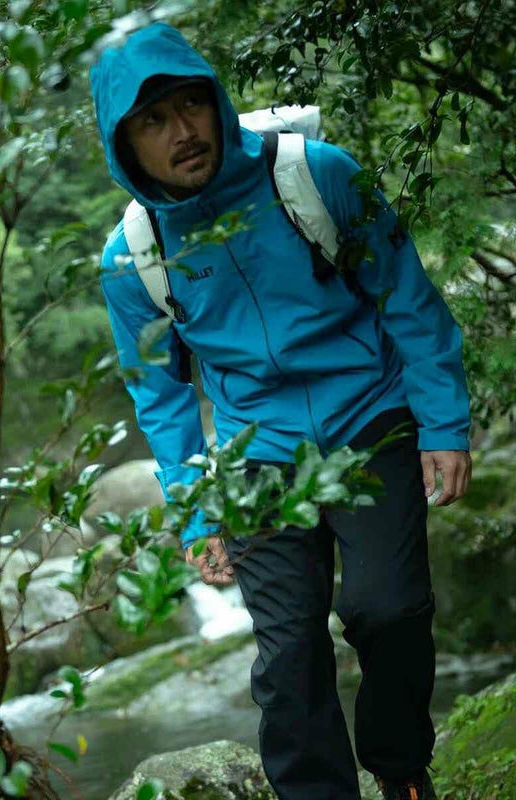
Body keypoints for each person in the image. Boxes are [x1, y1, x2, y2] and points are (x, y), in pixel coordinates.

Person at [90, 21, 472, 800]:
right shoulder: (134, 257)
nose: (182, 132)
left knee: (388, 611)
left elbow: (407, 297)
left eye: (190, 105)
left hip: (370, 420)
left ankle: (400, 771)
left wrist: (443, 423)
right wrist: (194, 512)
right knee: (290, 654)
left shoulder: (316, 176)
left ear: (215, 102)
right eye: (153, 121)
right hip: (254, 457)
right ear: (124, 145)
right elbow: (159, 394)